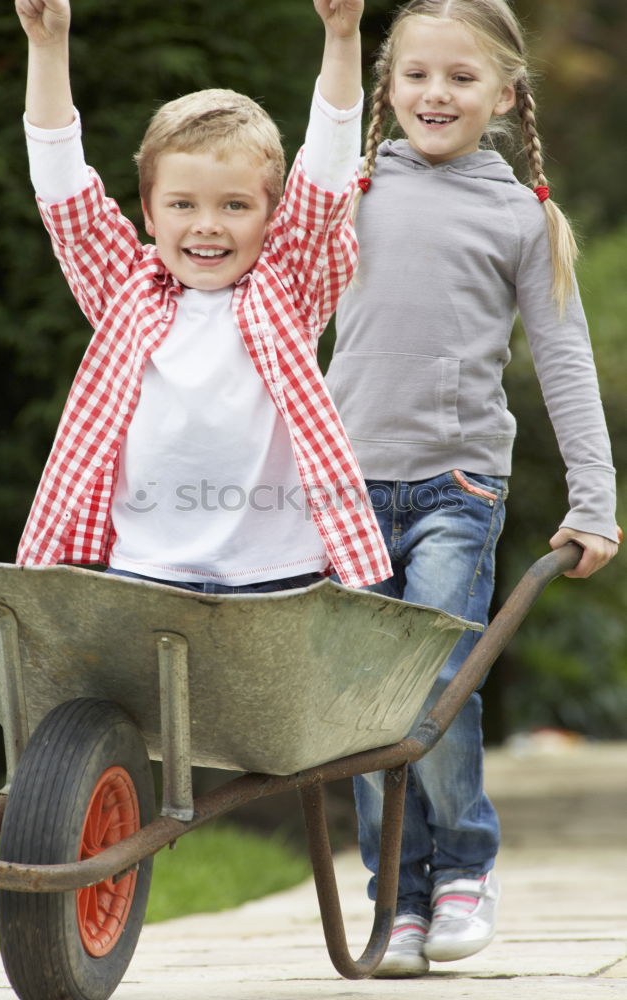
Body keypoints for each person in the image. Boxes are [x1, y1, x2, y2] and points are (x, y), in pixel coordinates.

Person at [324, 0, 620, 978]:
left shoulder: (519, 216)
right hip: (349, 485)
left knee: (439, 682)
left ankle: (465, 869)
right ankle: (396, 897)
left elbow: (566, 362)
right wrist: (337, 35)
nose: (435, 94)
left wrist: (595, 501)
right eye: (416, 75)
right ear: (388, 85)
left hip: (458, 484)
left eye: (460, 77)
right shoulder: (347, 191)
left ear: (504, 94)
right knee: (369, 701)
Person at [13, 0, 391, 593]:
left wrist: (342, 39)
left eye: (235, 206)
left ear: (272, 216)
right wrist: (46, 47)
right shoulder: (127, 291)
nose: (207, 225)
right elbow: (65, 199)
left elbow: (326, 181)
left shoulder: (284, 286)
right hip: (144, 567)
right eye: (183, 204)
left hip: (276, 574)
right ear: (149, 214)